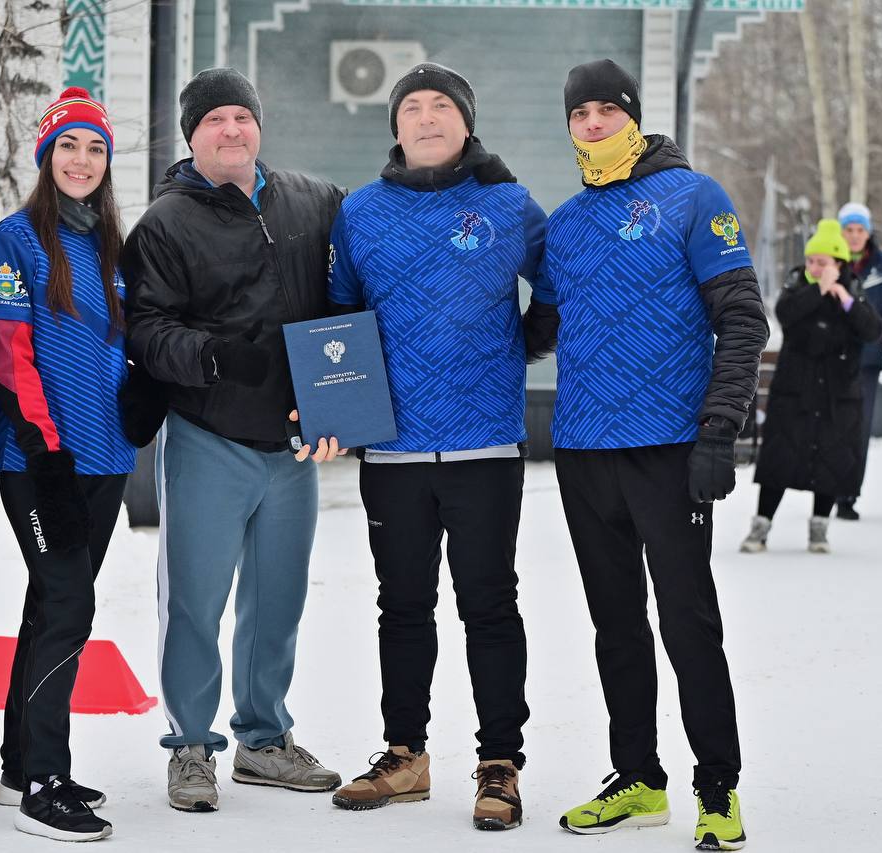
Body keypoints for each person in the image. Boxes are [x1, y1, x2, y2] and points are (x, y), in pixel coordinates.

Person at [537, 59, 767, 850]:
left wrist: (718, 431)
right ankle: (637, 776)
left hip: (670, 448)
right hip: (582, 450)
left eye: (608, 110)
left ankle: (717, 787)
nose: (594, 123)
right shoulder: (563, 225)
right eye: (581, 114)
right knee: (615, 624)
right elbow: (540, 327)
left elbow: (743, 320)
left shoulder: (694, 197)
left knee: (687, 623)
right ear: (569, 126)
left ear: (632, 118)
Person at [324, 62, 554, 832]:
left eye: (442, 106)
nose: (426, 117)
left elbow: (553, 289)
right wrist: (338, 410)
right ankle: (405, 753)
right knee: (402, 605)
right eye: (411, 107)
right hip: (391, 450)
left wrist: (519, 348)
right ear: (394, 126)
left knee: (489, 603)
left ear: (465, 122)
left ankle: (500, 763)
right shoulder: (359, 213)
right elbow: (338, 317)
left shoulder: (509, 205)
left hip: (485, 441)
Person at [121, 67, 344, 814]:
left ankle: (263, 739)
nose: (231, 131)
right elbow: (147, 330)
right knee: (194, 598)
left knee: (276, 598)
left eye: (242, 118)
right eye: (214, 121)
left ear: (259, 127)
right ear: (192, 135)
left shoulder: (314, 201)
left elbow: (348, 303)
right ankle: (190, 744)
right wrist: (213, 356)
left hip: (291, 443)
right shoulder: (164, 224)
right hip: (208, 434)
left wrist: (338, 406)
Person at [0, 87, 135, 842]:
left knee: (50, 607)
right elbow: (12, 357)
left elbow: (118, 350)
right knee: (71, 607)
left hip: (108, 457)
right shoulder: (17, 240)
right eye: (69, 146)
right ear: (47, 156)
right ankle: (46, 780)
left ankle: (19, 765)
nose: (82, 160)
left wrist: (140, 406)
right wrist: (44, 452)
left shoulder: (109, 247)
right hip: (43, 460)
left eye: (95, 148)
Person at [740, 220, 882, 554]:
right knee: (780, 460)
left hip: (838, 397)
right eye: (812, 261)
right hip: (795, 394)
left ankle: (820, 527)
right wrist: (818, 288)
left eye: (823, 262)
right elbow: (785, 313)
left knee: (832, 460)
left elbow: (872, 330)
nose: (815, 267)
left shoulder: (853, 291)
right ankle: (761, 525)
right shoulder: (797, 287)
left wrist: (844, 297)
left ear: (839, 263)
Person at [833, 203, 882, 520]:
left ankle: (848, 495)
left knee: (858, 430)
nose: (854, 235)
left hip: (867, 363)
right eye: (848, 229)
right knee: (832, 426)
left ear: (868, 232)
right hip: (832, 360)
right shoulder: (829, 263)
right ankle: (825, 489)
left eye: (860, 230)